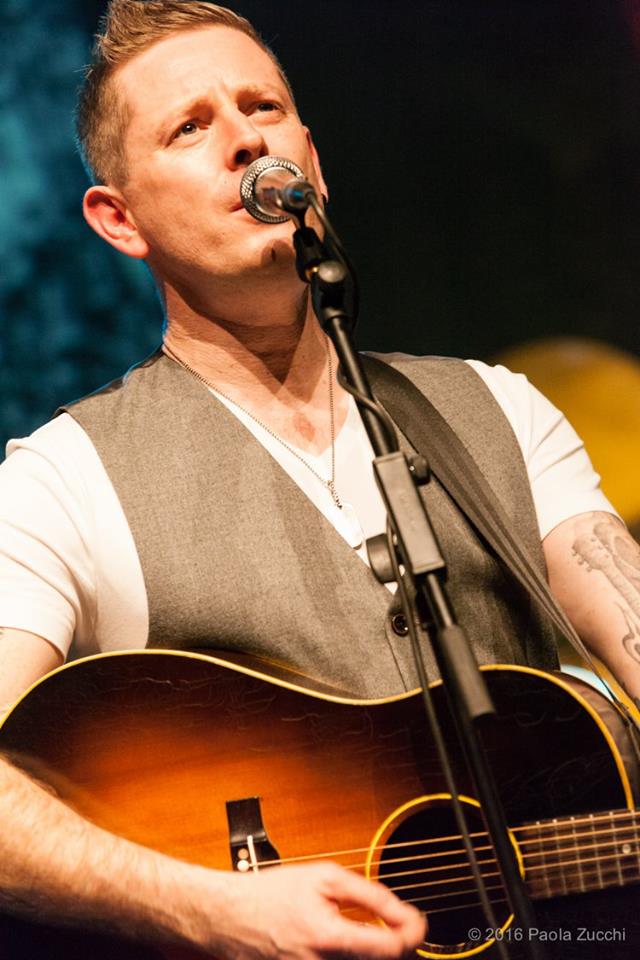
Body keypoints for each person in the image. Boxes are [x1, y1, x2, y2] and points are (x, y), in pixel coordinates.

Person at [0, 1, 639, 957]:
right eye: (190, 126)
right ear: (119, 220)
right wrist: (204, 908)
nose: (244, 137)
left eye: (262, 106)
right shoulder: (61, 480)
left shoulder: (496, 408)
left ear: (312, 164)